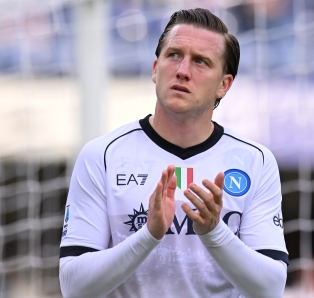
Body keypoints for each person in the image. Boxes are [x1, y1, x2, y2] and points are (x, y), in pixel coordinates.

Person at [59, 8, 288, 297]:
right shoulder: (102, 155)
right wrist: (149, 235)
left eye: (201, 62)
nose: (182, 70)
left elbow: (270, 289)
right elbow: (73, 287)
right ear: (156, 69)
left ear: (224, 85)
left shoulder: (256, 162)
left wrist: (215, 232)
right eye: (174, 55)